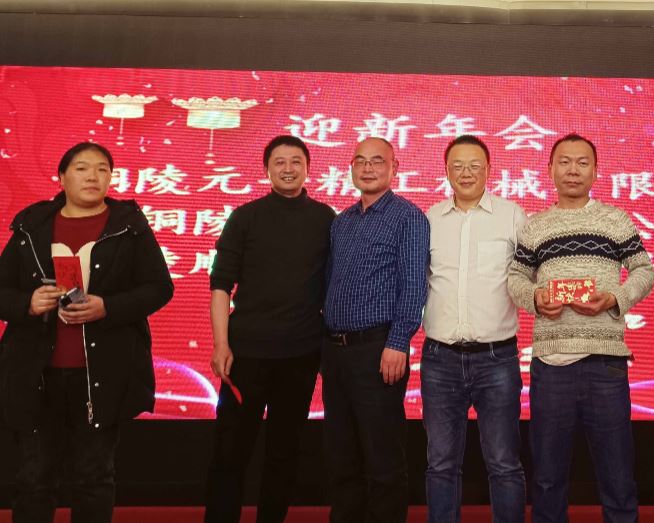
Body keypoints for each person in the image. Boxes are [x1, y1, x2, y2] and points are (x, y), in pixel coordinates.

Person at [0, 141, 173, 522]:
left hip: (103, 375)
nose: (93, 176)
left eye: (102, 169)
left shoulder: (129, 226)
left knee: (94, 478)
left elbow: (160, 287)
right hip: (36, 374)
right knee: (33, 479)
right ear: (62, 178)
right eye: (81, 168)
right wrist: (28, 303)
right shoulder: (31, 225)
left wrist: (107, 307)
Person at [508, 133, 654, 523]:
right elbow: (516, 278)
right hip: (550, 365)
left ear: (595, 171)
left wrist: (615, 298)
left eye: (582, 162)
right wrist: (535, 297)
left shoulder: (615, 220)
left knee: (617, 475)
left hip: (606, 363)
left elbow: (643, 270)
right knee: (547, 477)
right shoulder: (535, 226)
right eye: (565, 162)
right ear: (550, 170)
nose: (573, 170)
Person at [203, 135, 336, 523]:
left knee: (284, 452)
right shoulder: (246, 217)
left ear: (308, 168)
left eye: (296, 161)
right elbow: (220, 285)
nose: (288, 169)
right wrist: (221, 344)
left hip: (301, 356)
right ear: (266, 170)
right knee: (231, 451)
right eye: (280, 162)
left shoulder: (326, 219)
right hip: (245, 355)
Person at [322, 137, 430, 523]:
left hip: (379, 350)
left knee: (382, 457)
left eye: (377, 161)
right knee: (342, 455)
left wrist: (398, 342)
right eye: (360, 161)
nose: (368, 168)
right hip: (335, 352)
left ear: (394, 167)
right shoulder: (342, 222)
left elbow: (414, 285)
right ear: (351, 168)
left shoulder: (408, 217)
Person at [422, 135, 527, 523]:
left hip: (497, 358)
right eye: (458, 166)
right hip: (440, 359)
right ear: (446, 170)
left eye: (474, 166)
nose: (466, 173)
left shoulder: (512, 216)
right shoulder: (429, 220)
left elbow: (531, 274)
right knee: (440, 464)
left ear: (489, 169)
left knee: (504, 462)